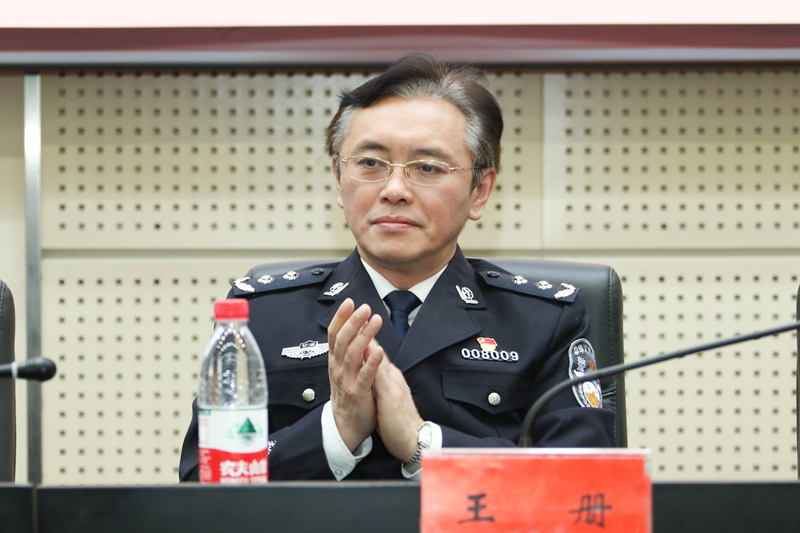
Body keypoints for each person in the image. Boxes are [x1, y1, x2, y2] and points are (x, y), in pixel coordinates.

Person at [179, 54, 615, 481]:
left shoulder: (544, 321)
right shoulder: (264, 315)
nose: (394, 189)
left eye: (427, 167)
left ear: (480, 190)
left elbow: (587, 483)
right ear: (338, 179)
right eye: (370, 163)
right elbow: (205, 483)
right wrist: (335, 430)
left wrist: (425, 443)